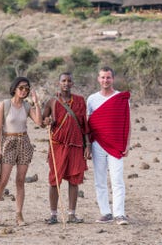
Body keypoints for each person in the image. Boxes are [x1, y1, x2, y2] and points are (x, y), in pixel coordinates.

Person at [0, 76, 42, 227]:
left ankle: (19, 214)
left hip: (24, 142)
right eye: (21, 88)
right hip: (8, 142)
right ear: (14, 89)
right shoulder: (4, 105)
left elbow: (39, 121)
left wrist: (36, 103)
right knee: (3, 180)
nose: (24, 91)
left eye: (27, 88)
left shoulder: (26, 107)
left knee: (20, 180)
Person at [42, 72, 91, 225]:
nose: (66, 83)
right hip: (57, 145)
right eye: (63, 80)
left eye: (69, 81)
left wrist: (87, 145)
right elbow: (43, 120)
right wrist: (47, 120)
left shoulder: (80, 101)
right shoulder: (51, 101)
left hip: (76, 146)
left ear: (72, 84)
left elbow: (84, 124)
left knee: (74, 180)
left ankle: (71, 214)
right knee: (54, 180)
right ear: (59, 83)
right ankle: (53, 215)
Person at [86, 66, 131, 226]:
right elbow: (89, 124)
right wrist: (88, 146)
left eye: (108, 77)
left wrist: (127, 144)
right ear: (98, 79)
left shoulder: (121, 98)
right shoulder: (91, 99)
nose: (105, 80)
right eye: (103, 77)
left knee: (117, 179)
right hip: (97, 143)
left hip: (117, 144)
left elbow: (127, 122)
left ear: (113, 79)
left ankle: (120, 214)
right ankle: (106, 212)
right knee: (100, 179)